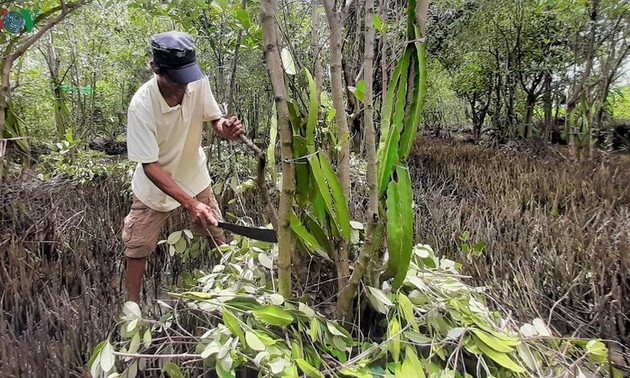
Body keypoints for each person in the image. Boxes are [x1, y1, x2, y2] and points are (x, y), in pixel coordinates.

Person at [123, 31, 244, 303]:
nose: (183, 87)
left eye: (187, 79)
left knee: (216, 232)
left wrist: (226, 129)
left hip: (194, 175)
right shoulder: (141, 106)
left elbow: (214, 119)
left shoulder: (196, 81)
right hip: (153, 187)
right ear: (157, 70)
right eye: (176, 80)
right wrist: (190, 204)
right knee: (138, 247)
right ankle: (131, 308)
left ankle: (234, 290)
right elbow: (150, 167)